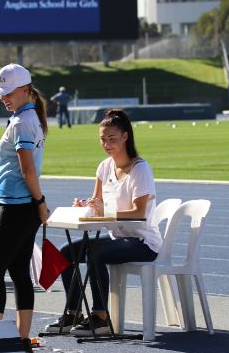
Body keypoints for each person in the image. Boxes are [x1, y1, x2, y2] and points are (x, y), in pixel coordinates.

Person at [44, 109, 161, 336]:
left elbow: (139, 212)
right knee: (66, 252)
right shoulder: (104, 167)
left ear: (125, 137)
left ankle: (100, 317)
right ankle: (73, 312)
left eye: (112, 139)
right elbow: (97, 206)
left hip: (143, 241)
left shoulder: (141, 169)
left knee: (95, 253)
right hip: (118, 237)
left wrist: (104, 211)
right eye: (102, 139)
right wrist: (86, 207)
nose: (106, 144)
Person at [0, 64, 50, 353]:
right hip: (24, 206)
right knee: (19, 271)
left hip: (18, 206)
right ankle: (21, 341)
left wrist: (39, 202)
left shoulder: (23, 122)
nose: (3, 97)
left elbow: (27, 171)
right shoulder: (27, 117)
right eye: (1, 93)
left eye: (8, 92)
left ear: (24, 89)